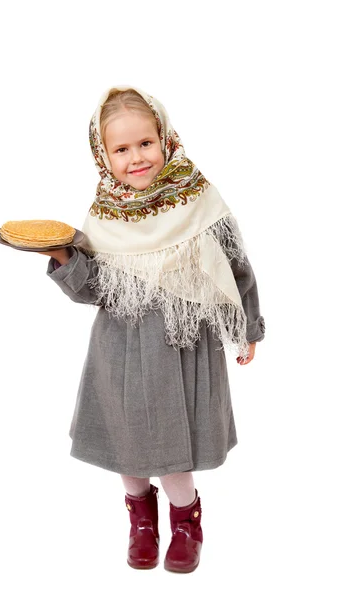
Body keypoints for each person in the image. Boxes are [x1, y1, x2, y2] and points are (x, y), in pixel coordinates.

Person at [38, 86, 265, 573]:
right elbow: (92, 290)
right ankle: (141, 520)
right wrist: (63, 257)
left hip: (184, 344)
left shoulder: (199, 199)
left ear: (165, 138)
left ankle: (186, 519)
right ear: (104, 156)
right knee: (128, 445)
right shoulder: (104, 215)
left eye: (146, 143)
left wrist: (247, 326)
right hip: (122, 346)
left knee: (173, 447)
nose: (136, 157)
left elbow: (236, 267)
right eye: (121, 149)